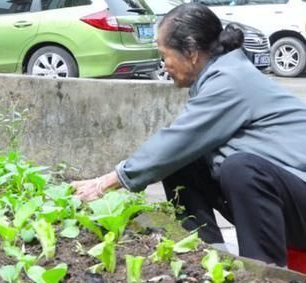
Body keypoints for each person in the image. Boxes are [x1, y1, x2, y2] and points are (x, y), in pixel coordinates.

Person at [71, 3, 306, 267]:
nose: (164, 64)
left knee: (241, 168)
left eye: (165, 55)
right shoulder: (220, 76)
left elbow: (175, 141)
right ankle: (208, 255)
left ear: (192, 52)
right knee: (183, 163)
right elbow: (177, 152)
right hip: (290, 197)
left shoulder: (231, 80)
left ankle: (263, 272)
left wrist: (106, 182)